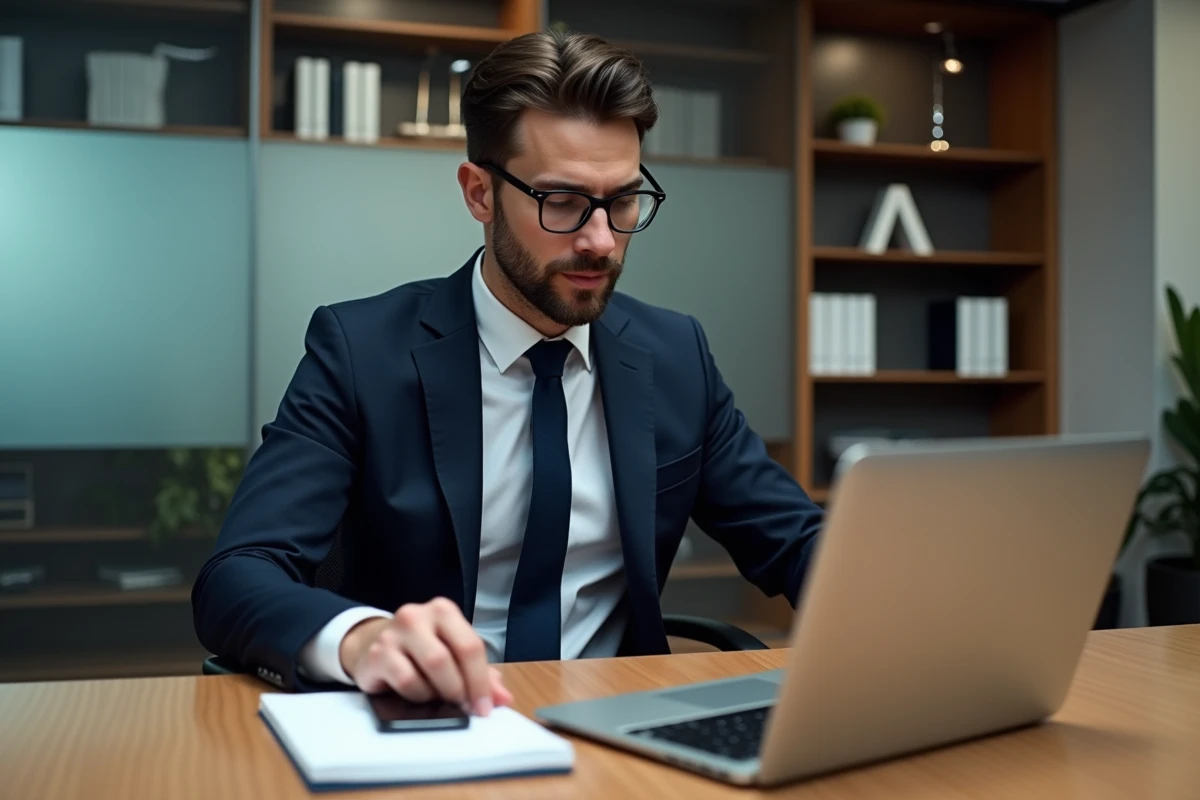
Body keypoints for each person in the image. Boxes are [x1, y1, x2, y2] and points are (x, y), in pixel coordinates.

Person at [191, 29, 823, 716]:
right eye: (561, 201)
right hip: (428, 723)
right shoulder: (360, 352)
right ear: (479, 194)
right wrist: (363, 639)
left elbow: (795, 541)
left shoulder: (675, 355)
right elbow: (238, 576)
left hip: (622, 727)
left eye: (623, 200)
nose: (600, 240)